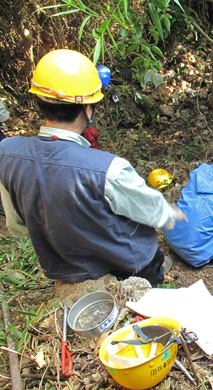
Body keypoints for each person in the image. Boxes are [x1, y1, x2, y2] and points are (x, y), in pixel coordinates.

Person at [0, 49, 186, 287]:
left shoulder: (6, 151)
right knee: (150, 255)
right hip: (126, 266)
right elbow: (153, 211)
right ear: (88, 109)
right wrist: (170, 213)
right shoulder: (108, 169)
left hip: (62, 267)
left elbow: (16, 225)